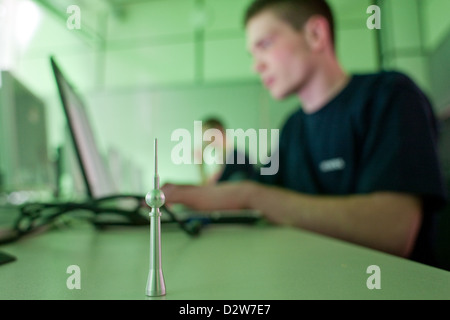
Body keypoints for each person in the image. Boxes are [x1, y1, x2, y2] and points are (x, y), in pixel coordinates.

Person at [162, 0, 448, 267]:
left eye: (265, 44)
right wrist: (177, 196)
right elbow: (255, 194)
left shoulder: (389, 96)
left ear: (315, 34)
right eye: (253, 53)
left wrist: (251, 195)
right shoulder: (293, 127)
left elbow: (392, 231)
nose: (256, 64)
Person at [195, 117, 255, 185]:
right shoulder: (226, 159)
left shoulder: (236, 157)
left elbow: (214, 189)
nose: (206, 141)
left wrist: (200, 167)